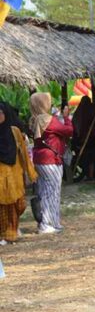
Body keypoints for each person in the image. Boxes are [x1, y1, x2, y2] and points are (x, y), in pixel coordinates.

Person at [30, 93, 73, 234]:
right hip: (51, 160)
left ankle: (52, 222)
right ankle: (47, 223)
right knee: (52, 191)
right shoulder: (49, 120)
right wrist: (66, 117)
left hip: (39, 159)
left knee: (44, 190)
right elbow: (68, 131)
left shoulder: (34, 119)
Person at [0, 102, 37, 245]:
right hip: (1, 178)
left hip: (15, 177)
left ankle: (12, 229)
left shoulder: (15, 132)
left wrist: (30, 172)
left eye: (0, 113)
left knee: (19, 205)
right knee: (2, 207)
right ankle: (6, 234)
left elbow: (23, 154)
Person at [71, 95, 95, 180]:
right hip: (85, 139)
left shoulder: (82, 112)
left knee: (87, 157)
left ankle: (89, 175)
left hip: (86, 139)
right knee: (89, 158)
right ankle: (89, 175)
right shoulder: (86, 112)